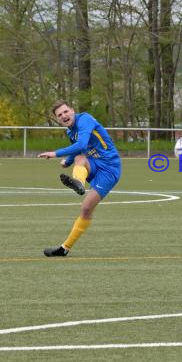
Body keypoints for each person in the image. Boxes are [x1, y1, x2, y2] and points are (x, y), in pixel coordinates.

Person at [38, 100, 122, 256]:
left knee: (86, 209)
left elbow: (82, 145)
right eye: (59, 115)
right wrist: (67, 161)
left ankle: (64, 248)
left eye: (65, 112)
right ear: (57, 119)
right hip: (93, 164)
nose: (63, 116)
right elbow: (78, 150)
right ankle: (79, 184)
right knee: (79, 159)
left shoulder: (85, 119)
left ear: (72, 110)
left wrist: (55, 154)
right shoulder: (70, 131)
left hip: (109, 169)